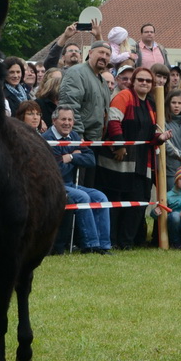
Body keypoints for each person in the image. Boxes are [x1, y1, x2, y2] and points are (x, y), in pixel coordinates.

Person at [103, 65, 165, 249]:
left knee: (138, 204)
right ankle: (112, 241)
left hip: (141, 163)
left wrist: (160, 138)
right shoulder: (124, 97)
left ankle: (126, 241)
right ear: (133, 82)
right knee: (116, 203)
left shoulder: (151, 104)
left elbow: (150, 134)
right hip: (119, 162)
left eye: (148, 80)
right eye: (141, 80)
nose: (144, 83)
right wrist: (120, 145)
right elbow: (113, 121)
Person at [47, 107, 111, 254]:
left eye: (70, 120)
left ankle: (104, 245)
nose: (67, 123)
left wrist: (71, 157)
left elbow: (91, 159)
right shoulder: (47, 139)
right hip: (55, 185)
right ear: (54, 120)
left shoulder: (74, 136)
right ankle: (90, 245)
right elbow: (57, 170)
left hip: (71, 184)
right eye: (63, 119)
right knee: (83, 197)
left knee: (101, 197)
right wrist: (75, 157)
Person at [58, 41, 112, 143]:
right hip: (81, 138)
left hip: (96, 139)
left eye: (107, 54)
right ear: (90, 53)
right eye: (101, 52)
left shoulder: (103, 82)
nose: (104, 57)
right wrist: (77, 134)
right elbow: (69, 105)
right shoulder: (77, 73)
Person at [162, 90, 181, 190]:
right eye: (173, 103)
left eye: (179, 103)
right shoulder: (163, 122)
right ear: (168, 103)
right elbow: (166, 145)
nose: (176, 106)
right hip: (169, 169)